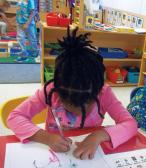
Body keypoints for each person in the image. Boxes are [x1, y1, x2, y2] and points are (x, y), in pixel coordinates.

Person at [8, 27, 138, 160]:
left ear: (97, 92)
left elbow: (130, 124)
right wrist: (46, 138)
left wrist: (99, 135)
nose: (78, 112)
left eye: (86, 104)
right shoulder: (51, 91)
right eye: (70, 104)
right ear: (58, 93)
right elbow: (15, 117)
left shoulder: (104, 93)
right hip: (54, 156)